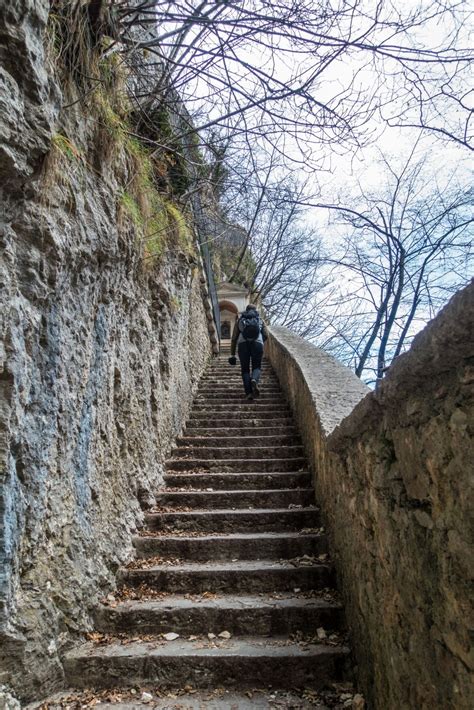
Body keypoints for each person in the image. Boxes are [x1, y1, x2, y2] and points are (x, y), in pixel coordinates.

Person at [228, 304, 268, 400]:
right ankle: (254, 379)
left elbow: (234, 338)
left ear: (246, 310)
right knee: (257, 366)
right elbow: (266, 334)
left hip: (243, 345)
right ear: (255, 310)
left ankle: (249, 393)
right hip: (257, 344)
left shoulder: (240, 320)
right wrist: (259, 340)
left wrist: (232, 354)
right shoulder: (260, 320)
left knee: (245, 369)